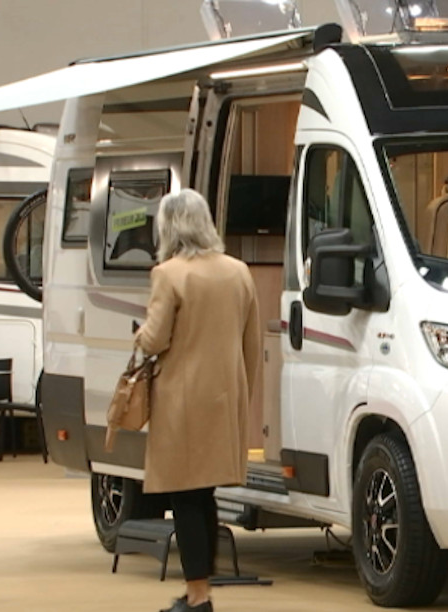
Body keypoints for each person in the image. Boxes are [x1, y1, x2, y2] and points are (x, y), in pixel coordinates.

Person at [135, 188, 262, 612]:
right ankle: (201, 588)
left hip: (181, 400)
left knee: (185, 496)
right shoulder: (239, 272)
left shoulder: (169, 274)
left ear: (168, 227)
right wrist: (242, 392)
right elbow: (251, 343)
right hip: (225, 396)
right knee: (204, 495)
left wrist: (138, 334)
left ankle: (197, 595)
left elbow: (155, 339)